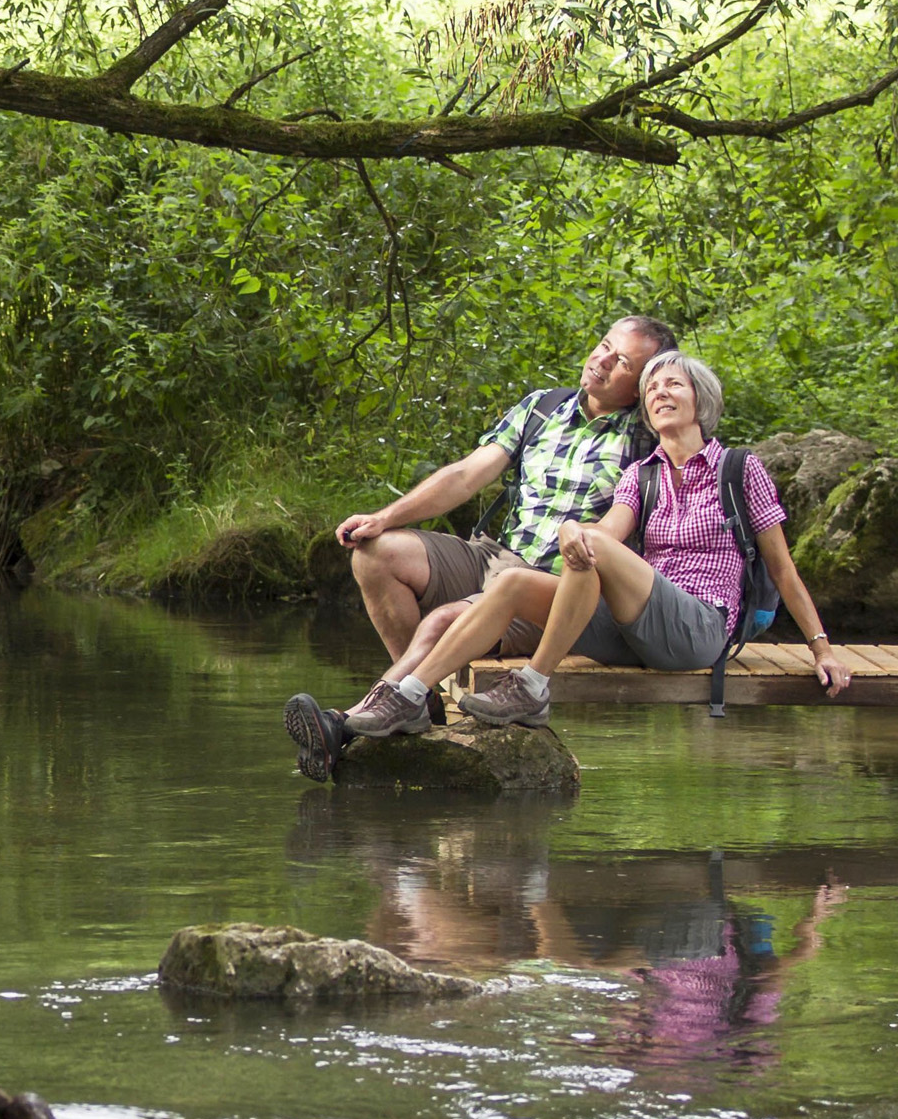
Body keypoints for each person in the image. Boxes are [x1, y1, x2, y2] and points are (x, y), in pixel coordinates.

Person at [352, 348, 853, 734]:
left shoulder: (739, 469)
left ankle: (532, 684)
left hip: (699, 629)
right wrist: (573, 531)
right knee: (511, 584)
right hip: (634, 629)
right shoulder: (641, 475)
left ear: (701, 399)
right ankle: (409, 694)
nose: (659, 392)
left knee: (592, 548)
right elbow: (607, 532)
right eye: (651, 387)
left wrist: (822, 650)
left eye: (673, 384)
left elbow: (783, 569)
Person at [283, 315, 675, 781]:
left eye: (622, 361)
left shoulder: (650, 440)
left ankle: (348, 722)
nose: (602, 361)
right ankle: (419, 698)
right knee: (375, 553)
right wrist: (384, 517)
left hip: (561, 588)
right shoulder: (543, 407)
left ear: (642, 385)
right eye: (605, 345)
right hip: (496, 557)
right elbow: (466, 475)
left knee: (446, 620)